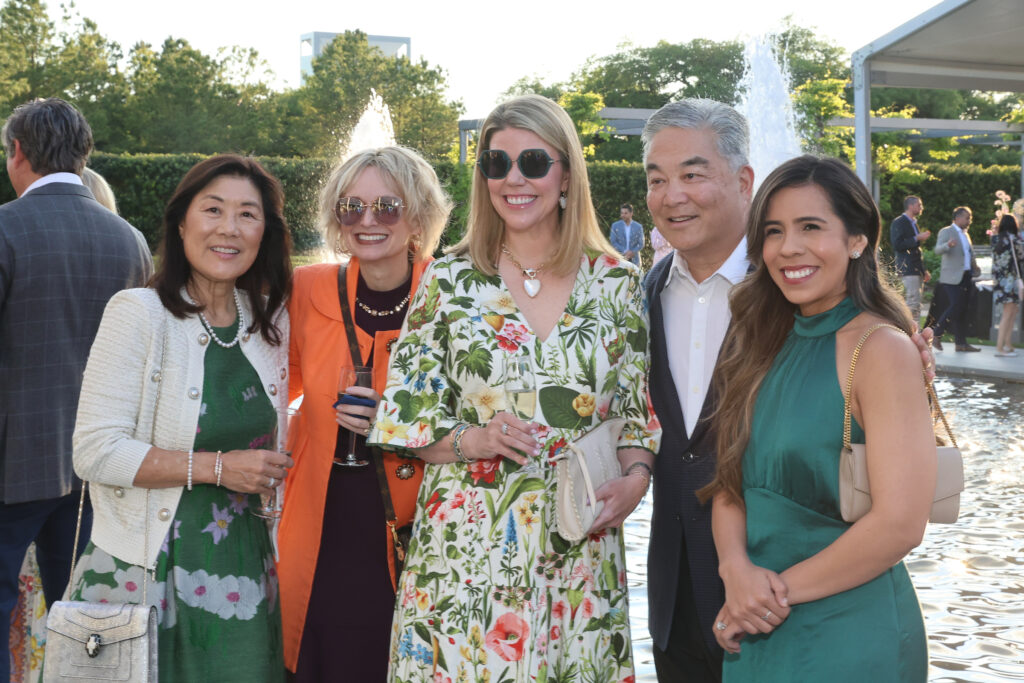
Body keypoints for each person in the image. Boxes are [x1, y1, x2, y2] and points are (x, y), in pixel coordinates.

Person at [641, 99, 936, 683]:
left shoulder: (875, 344)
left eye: (692, 174)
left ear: (857, 239)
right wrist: (737, 573)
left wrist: (763, 594)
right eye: (774, 232)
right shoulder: (722, 317)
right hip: (710, 597)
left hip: (837, 625)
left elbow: (901, 520)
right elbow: (721, 473)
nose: (788, 248)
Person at [370, 94, 660, 682]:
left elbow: (634, 416)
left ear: (566, 173)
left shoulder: (618, 286)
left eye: (532, 161)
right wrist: (471, 440)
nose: (513, 179)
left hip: (578, 548)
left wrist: (635, 481)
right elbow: (403, 421)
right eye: (496, 164)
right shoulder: (448, 281)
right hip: (464, 549)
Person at [68, 155, 293, 680]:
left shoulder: (268, 321)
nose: (228, 228)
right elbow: (94, 450)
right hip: (148, 568)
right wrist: (218, 468)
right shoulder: (138, 312)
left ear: (266, 231)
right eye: (213, 209)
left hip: (246, 572)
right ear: (182, 221)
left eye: (247, 214)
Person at [278, 146, 453, 681]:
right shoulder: (306, 288)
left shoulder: (454, 293)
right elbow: (269, 387)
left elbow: (477, 409)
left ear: (420, 216)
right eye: (352, 207)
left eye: (387, 207)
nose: (367, 221)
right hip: (322, 516)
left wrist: (399, 419)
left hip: (418, 525)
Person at [0, 97, 152, 683]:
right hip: (99, 465)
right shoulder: (131, 240)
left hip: (11, 462)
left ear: (18, 153)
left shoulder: (5, 229)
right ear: (84, 156)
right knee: (87, 613)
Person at [931, 206, 980, 352]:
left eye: (970, 217)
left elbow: (969, 254)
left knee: (963, 309)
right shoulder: (947, 231)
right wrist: (948, 245)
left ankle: (961, 343)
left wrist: (975, 266)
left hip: (966, 276)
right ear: (957, 218)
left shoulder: (966, 234)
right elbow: (937, 250)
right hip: (951, 277)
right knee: (955, 306)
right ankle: (936, 333)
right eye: (967, 217)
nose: (969, 220)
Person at [889, 195, 931, 321]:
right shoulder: (899, 222)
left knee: (916, 303)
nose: (921, 207)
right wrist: (916, 238)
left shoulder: (913, 223)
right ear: (911, 206)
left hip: (915, 268)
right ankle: (908, 332)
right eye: (919, 205)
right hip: (907, 268)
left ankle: (914, 333)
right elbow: (897, 245)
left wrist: (923, 271)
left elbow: (915, 251)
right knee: (911, 303)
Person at [990, 213, 1023, 357]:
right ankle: (1000, 347)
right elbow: (1021, 257)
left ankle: (1008, 344)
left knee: (1011, 312)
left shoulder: (995, 239)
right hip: (1011, 282)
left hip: (999, 282)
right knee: (1009, 313)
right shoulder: (1015, 240)